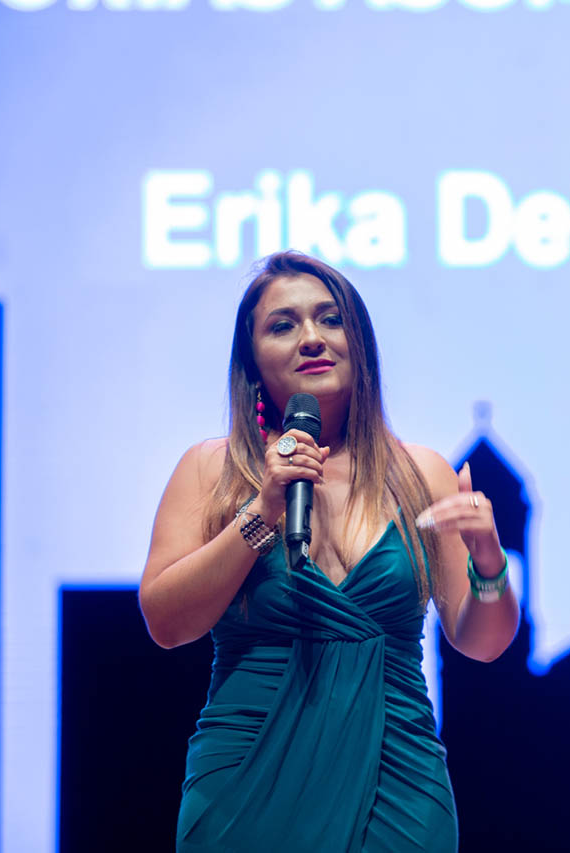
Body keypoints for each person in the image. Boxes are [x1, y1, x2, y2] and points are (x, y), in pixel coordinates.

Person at [138, 250, 519, 852]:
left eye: (330, 318)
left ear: (358, 343)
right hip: (248, 779)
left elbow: (482, 643)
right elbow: (165, 622)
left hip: (396, 782)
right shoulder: (212, 469)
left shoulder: (421, 473)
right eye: (283, 325)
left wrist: (490, 564)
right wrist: (261, 511)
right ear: (252, 362)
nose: (312, 338)